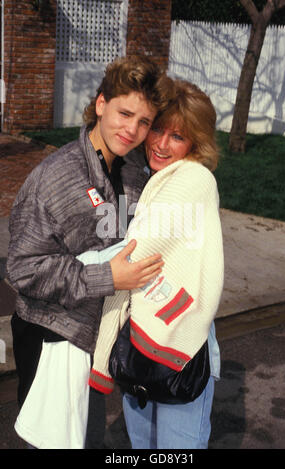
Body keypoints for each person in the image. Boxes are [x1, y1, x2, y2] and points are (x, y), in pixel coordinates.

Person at [6, 55, 171, 449]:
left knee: (88, 435)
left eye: (144, 121)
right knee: (50, 441)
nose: (132, 129)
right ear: (101, 104)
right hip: (51, 334)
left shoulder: (133, 171)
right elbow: (22, 269)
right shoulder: (54, 177)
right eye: (124, 113)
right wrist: (107, 277)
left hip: (97, 335)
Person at [88, 79, 224, 449]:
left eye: (177, 137)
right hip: (143, 345)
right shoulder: (158, 178)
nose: (161, 144)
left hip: (178, 347)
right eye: (157, 130)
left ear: (195, 143)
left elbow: (132, 256)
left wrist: (80, 268)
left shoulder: (192, 180)